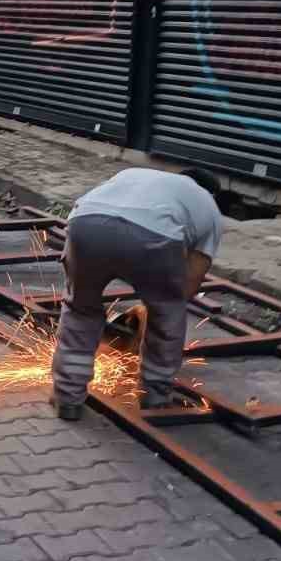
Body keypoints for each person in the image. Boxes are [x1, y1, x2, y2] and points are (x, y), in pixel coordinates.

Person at [51, 166, 226, 422]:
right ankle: (154, 399)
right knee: (168, 313)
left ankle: (67, 397)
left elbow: (89, 248)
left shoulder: (136, 174)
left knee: (80, 307)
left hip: (85, 222)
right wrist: (154, 308)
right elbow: (188, 286)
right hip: (155, 234)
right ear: (211, 193)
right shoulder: (209, 208)